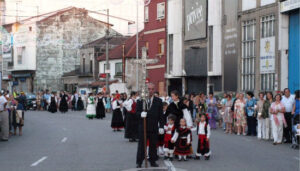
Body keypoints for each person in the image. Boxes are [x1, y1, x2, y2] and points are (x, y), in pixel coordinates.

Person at [136, 83, 164, 168]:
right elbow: (136, 113)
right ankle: (139, 162)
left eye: (152, 89)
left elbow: (161, 115)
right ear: (146, 90)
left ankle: (153, 161)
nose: (150, 91)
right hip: (143, 127)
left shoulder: (158, 101)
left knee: (153, 145)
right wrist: (141, 114)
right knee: (141, 145)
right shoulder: (140, 100)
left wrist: (161, 126)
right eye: (148, 89)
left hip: (153, 126)